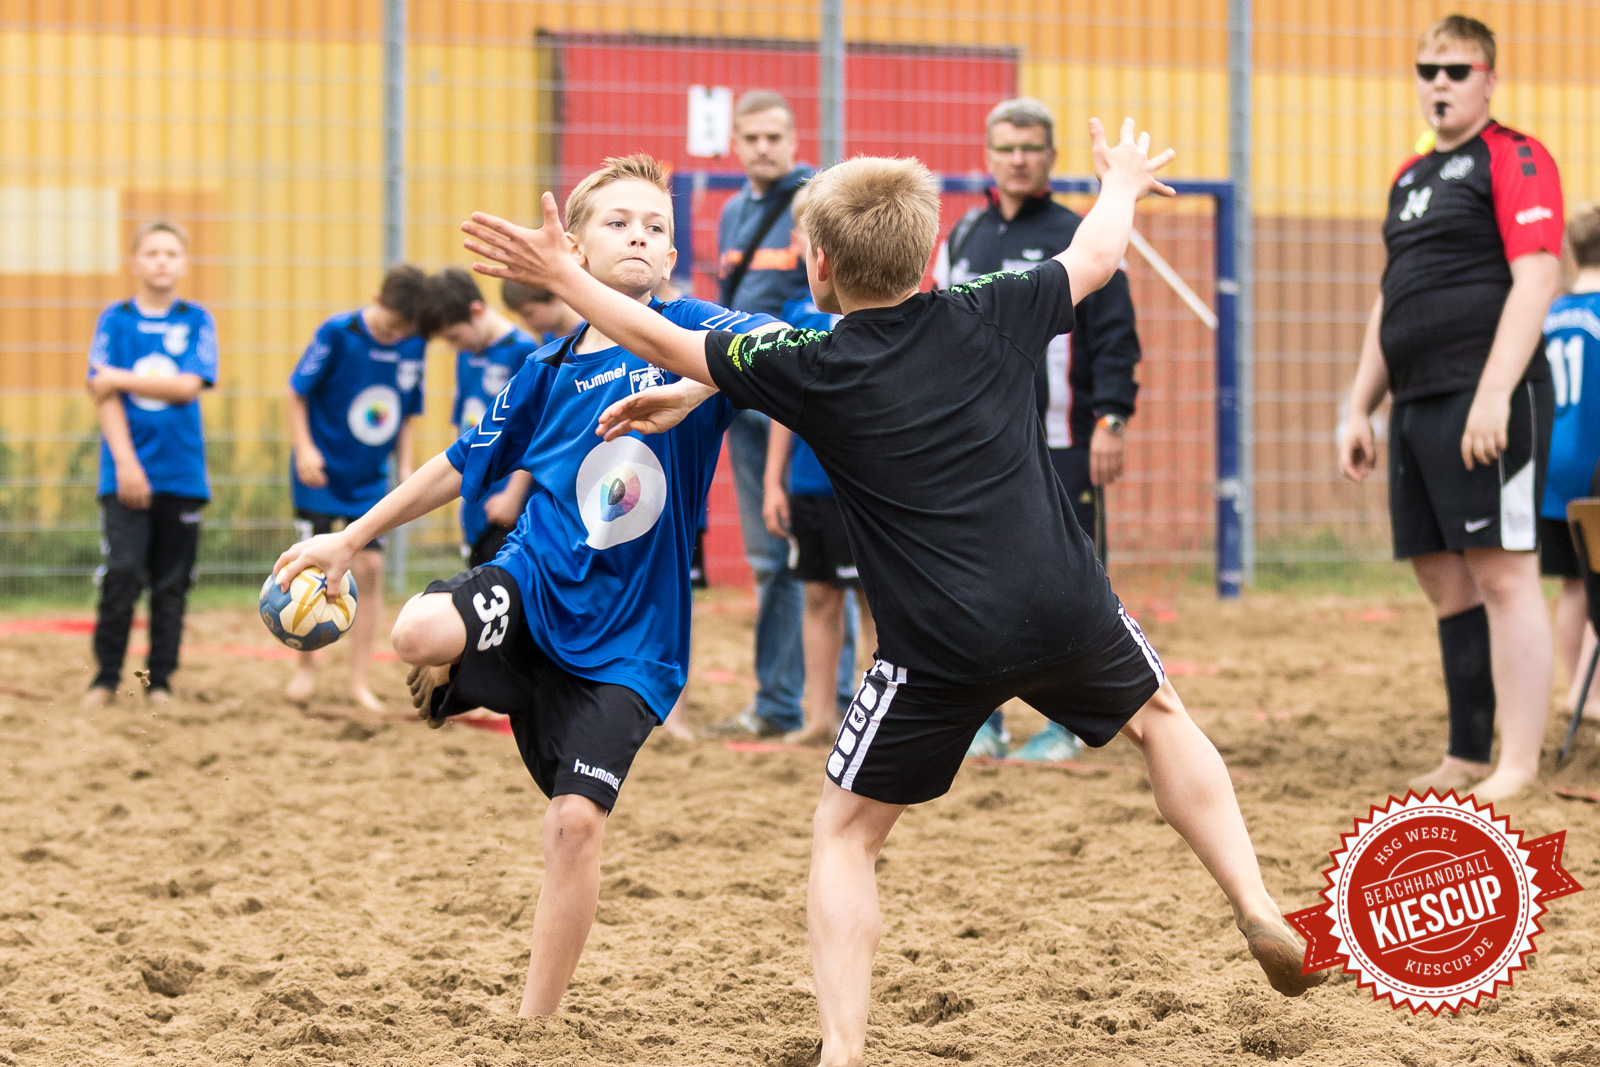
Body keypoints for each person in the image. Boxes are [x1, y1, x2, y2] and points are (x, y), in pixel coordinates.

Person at [464, 117, 1324, 1067]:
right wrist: (1119, 180)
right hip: (1063, 603)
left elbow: (655, 334)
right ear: (927, 254)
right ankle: (1253, 900)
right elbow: (1096, 251)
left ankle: (843, 1046)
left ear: (818, 264)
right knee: (1162, 717)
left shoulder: (813, 363)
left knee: (843, 832)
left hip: (936, 644)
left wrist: (563, 275)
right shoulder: (991, 305)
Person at [276, 154, 778, 1015]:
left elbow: (777, 346)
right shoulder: (545, 369)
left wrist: (701, 386)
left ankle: (532, 1026)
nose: (641, 237)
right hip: (535, 582)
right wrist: (349, 537)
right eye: (618, 222)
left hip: (634, 641)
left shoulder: (698, 327)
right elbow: (460, 461)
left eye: (656, 226)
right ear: (572, 250)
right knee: (415, 633)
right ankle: (459, 670)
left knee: (574, 825)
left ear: (670, 255)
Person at [1337, 14, 1563, 803]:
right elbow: (1389, 299)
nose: (1439, 82)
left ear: (1489, 79)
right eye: (1427, 69)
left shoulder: (1517, 156)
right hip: (1418, 402)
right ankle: (1469, 751)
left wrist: (1495, 392)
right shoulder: (1408, 176)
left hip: (1490, 397)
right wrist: (1358, 406)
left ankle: (1520, 763)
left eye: (1456, 70)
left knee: (1505, 574)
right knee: (1445, 577)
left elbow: (1537, 278)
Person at [934, 97, 1144, 763]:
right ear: (988, 155)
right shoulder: (963, 235)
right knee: (977, 583)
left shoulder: (1083, 234)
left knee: (1066, 583)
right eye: (1005, 147)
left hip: (1062, 443)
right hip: (976, 447)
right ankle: (986, 719)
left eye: (1030, 147)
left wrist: (1111, 420)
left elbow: (1116, 339)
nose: (1017, 158)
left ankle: (1064, 725)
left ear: (1051, 157)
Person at [710, 87, 857, 739]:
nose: (763, 147)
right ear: (734, 143)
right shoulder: (732, 213)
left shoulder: (817, 202)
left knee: (841, 566)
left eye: (775, 136)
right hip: (749, 406)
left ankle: (846, 696)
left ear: (795, 141)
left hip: (811, 401)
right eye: (751, 137)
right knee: (774, 561)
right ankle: (777, 701)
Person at [83, 220, 219, 706]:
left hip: (182, 476)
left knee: (171, 584)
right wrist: (125, 463)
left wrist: (117, 376)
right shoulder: (115, 321)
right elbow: (103, 397)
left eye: (170, 253)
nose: (161, 260)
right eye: (152, 252)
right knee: (122, 574)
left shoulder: (197, 320)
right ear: (135, 262)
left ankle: (159, 682)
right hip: (125, 477)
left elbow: (187, 386)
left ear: (184, 264)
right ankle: (104, 679)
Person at [283, 264, 428, 713]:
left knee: (368, 570)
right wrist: (305, 448)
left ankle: (358, 681)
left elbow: (406, 412)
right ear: (374, 298)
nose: (392, 334)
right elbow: (295, 392)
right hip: (320, 476)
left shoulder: (413, 345)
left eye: (401, 329)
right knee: (312, 571)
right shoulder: (337, 333)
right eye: (387, 324)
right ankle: (305, 669)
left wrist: (404, 466)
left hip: (369, 482)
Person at [761, 191, 877, 746]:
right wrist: (771, 481)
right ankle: (819, 717)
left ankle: (877, 716)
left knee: (877, 602)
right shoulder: (794, 312)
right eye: (807, 227)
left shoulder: (883, 304)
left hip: (867, 486)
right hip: (810, 483)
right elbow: (785, 406)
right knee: (817, 595)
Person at [423, 268, 542, 567]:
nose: (453, 346)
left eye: (454, 336)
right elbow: (465, 425)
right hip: (477, 503)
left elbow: (537, 430)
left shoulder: (524, 351)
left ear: (476, 311)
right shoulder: (466, 355)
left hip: (509, 506)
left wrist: (513, 497)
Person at [1538, 203, 1600, 719]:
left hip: (1552, 470)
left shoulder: (1551, 313)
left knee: (1574, 583)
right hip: (1594, 466)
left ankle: (1577, 688)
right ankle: (1592, 691)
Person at [501, 279, 580, 344]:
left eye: (528, 313)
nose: (524, 323)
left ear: (555, 295)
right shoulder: (548, 337)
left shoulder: (587, 334)